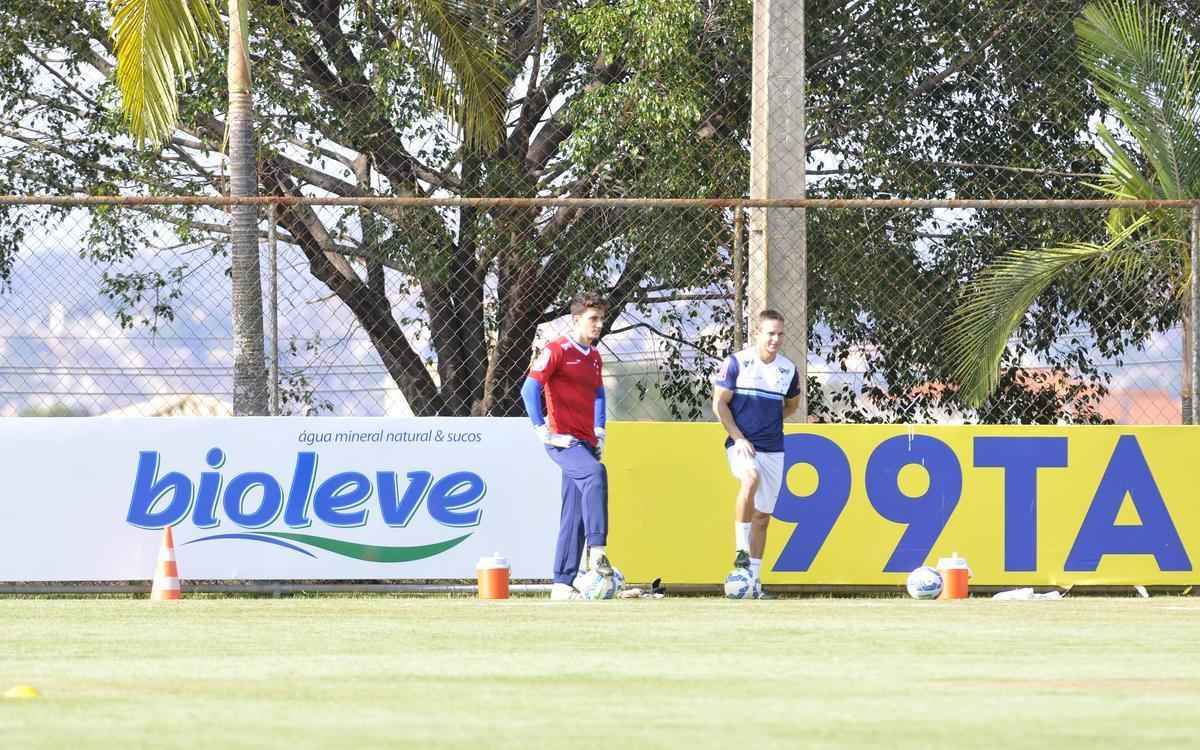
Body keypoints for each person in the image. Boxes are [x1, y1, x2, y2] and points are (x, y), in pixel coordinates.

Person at [521, 294, 615, 600]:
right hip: (563, 440)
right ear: (576, 320)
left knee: (573, 512)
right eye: (593, 319)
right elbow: (529, 388)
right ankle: (597, 552)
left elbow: (598, 393)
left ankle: (562, 584)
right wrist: (541, 431)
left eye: (601, 319)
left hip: (586, 441)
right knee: (595, 475)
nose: (599, 324)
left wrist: (599, 429)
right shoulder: (556, 350)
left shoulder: (594, 356)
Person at [711, 309, 802, 599]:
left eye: (779, 334)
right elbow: (720, 404)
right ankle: (740, 551)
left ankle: (755, 583)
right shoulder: (737, 363)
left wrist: (768, 424)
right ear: (757, 333)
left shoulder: (788, 369)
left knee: (763, 517)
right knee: (749, 479)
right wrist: (738, 437)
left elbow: (791, 406)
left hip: (773, 448)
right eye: (770, 333)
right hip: (741, 444)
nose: (775, 339)